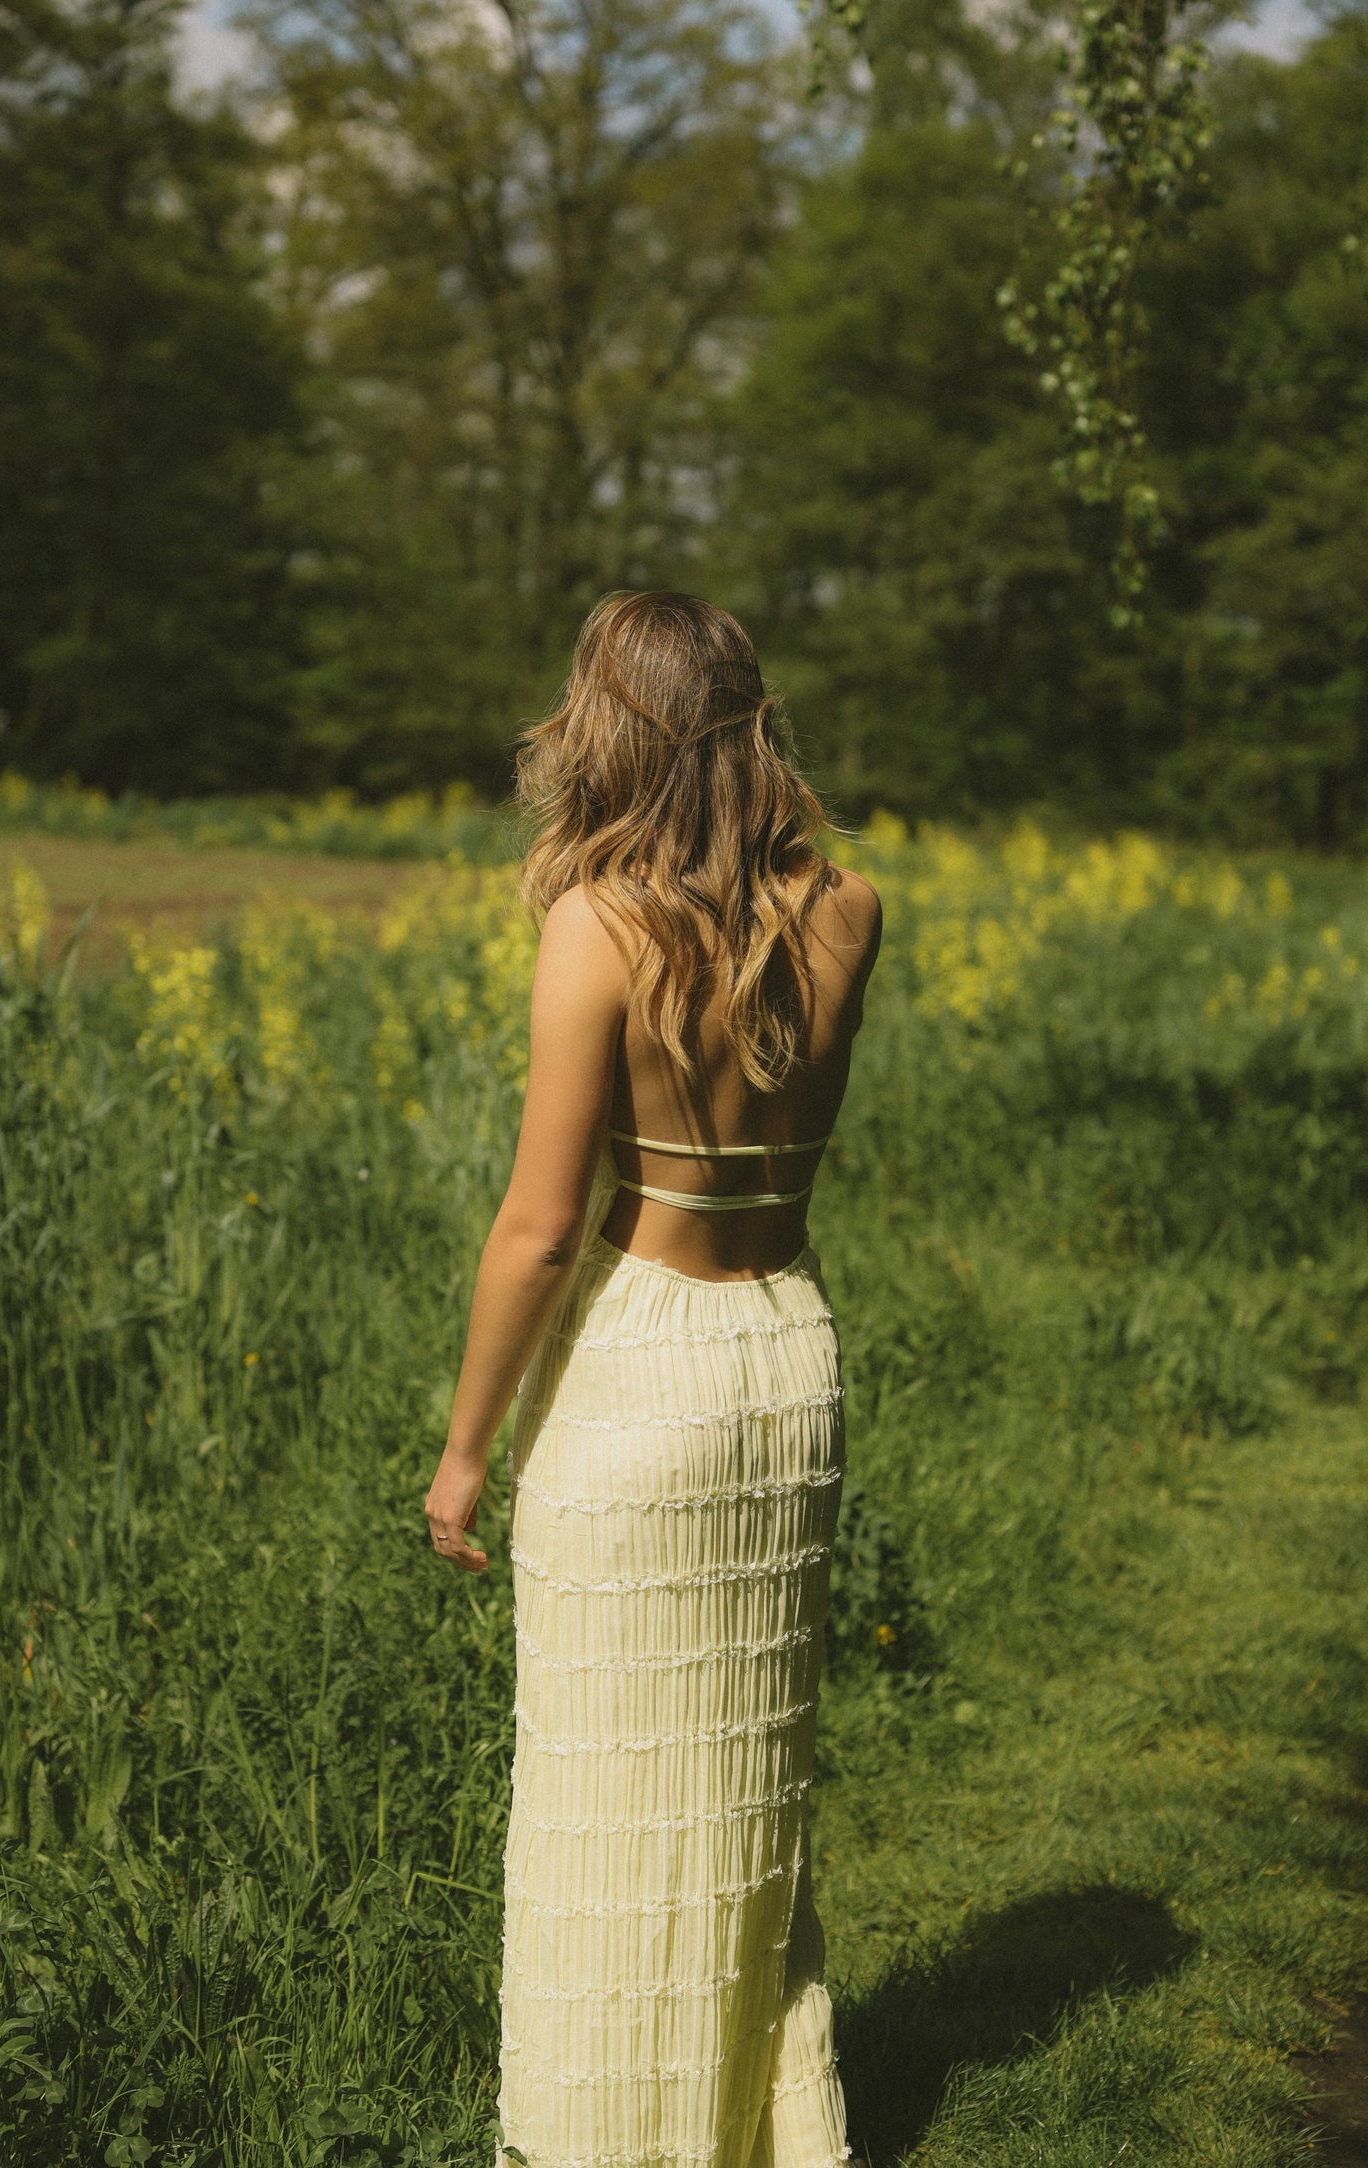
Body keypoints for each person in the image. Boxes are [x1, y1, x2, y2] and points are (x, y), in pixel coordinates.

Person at [424, 590, 882, 2168]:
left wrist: (464, 1453)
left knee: (609, 1808)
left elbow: (544, 1229)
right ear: (752, 721)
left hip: (642, 1373)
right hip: (786, 1355)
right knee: (741, 1804)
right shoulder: (849, 908)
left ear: (606, 730)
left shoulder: (596, 926)